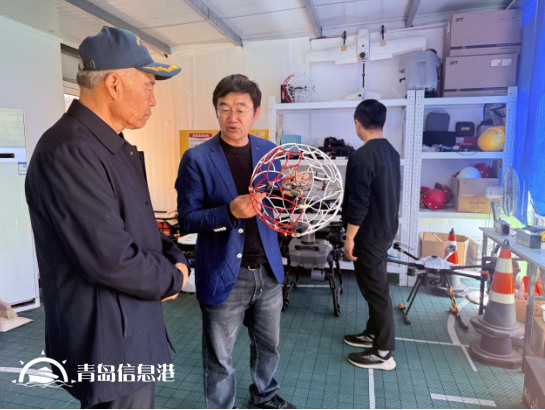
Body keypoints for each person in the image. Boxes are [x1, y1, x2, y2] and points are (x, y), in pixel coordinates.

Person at [25, 26, 189, 409]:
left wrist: (174, 255)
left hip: (128, 331)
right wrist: (173, 278)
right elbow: (109, 257)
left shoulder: (107, 146)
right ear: (114, 84)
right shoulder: (70, 151)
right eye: (148, 87)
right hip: (110, 344)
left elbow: (137, 225)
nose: (153, 101)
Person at [175, 74, 294, 409]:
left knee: (269, 347)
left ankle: (264, 397)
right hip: (223, 271)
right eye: (224, 108)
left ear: (255, 113)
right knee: (219, 356)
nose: (232, 117)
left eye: (241, 109)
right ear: (216, 111)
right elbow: (187, 219)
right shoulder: (197, 159)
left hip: (268, 271)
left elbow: (277, 206)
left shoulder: (270, 153)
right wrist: (229, 211)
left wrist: (293, 196)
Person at [342, 99, 400, 371]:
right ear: (384, 122)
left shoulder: (361, 156)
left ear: (357, 123)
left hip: (369, 233)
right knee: (372, 285)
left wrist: (349, 238)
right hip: (385, 228)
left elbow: (359, 202)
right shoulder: (391, 152)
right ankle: (372, 332)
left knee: (376, 290)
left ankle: (384, 352)